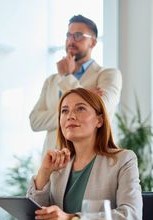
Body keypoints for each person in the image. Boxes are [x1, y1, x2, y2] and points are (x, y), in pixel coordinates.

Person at [27, 88, 142, 220]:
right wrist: (44, 173)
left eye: (80, 108)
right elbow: (35, 217)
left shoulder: (123, 160)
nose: (70, 116)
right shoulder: (58, 165)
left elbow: (131, 217)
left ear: (99, 120)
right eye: (64, 111)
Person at [30, 14, 122, 154]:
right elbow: (35, 121)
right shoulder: (51, 80)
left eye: (78, 35)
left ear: (93, 42)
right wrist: (84, 106)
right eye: (69, 35)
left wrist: (67, 76)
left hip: (88, 160)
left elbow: (103, 109)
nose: (71, 41)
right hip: (52, 161)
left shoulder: (108, 75)